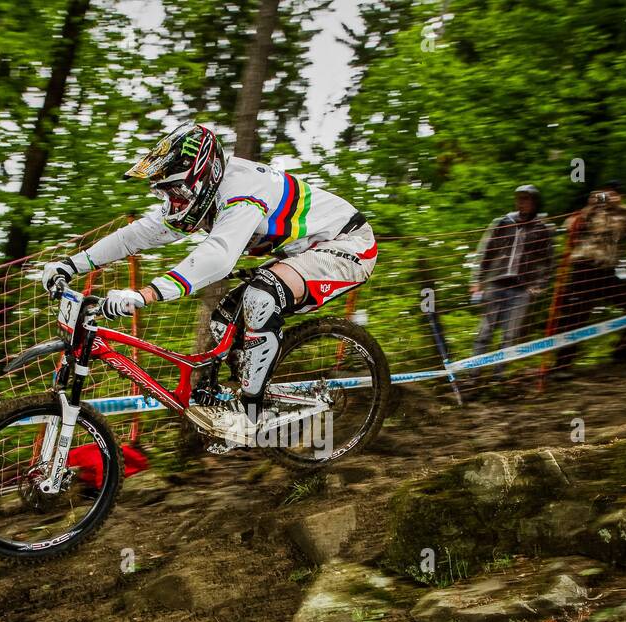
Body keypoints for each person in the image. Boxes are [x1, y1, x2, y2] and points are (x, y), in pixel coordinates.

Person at [40, 123, 377, 444]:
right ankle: (244, 392)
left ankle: (251, 413)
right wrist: (71, 265)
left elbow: (218, 256)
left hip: (348, 246)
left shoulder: (242, 192)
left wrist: (145, 294)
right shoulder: (195, 199)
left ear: (206, 175)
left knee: (262, 297)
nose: (174, 199)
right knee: (224, 318)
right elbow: (136, 235)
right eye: (165, 191)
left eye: (178, 189)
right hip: (303, 252)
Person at [552, 180, 626, 373]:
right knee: (574, 317)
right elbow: (570, 226)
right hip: (583, 269)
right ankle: (562, 365)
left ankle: (624, 350)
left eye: (615, 193)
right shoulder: (590, 211)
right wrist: (592, 204)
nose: (610, 195)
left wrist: (620, 205)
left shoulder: (624, 214)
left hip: (606, 271)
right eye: (606, 192)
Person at [469, 185, 552, 378]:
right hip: (496, 284)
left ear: (535, 202)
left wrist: (540, 286)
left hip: (522, 289)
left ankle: (498, 376)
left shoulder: (543, 228)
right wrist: (477, 280)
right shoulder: (503, 222)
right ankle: (474, 374)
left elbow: (547, 262)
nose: (522, 202)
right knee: (485, 331)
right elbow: (485, 252)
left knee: (510, 335)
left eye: (526, 199)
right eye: (519, 198)